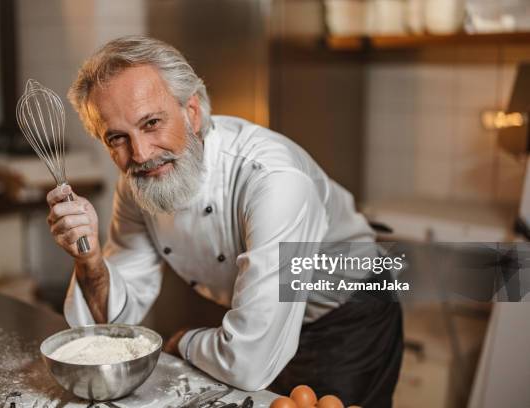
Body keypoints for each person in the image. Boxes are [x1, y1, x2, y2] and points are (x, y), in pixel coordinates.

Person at [47, 35, 402, 407]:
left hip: (345, 319)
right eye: (117, 137)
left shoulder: (272, 179)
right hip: (258, 320)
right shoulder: (138, 184)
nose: (141, 153)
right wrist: (87, 260)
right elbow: (115, 319)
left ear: (193, 112)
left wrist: (183, 341)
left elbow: (249, 362)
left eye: (152, 123)